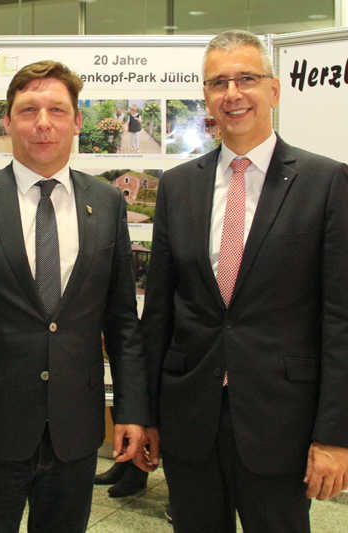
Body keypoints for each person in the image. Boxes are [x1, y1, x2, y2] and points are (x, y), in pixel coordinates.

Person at [0, 60, 148, 532]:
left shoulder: (106, 203)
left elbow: (122, 320)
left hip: (75, 432)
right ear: (7, 121)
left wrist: (130, 409)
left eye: (57, 110)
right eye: (28, 110)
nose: (43, 123)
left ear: (77, 121)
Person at [138, 30, 348, 533]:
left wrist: (335, 436)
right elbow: (160, 312)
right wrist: (145, 413)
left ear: (274, 91)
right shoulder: (177, 186)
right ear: (206, 97)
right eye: (218, 83)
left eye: (247, 79)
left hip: (284, 426)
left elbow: (340, 318)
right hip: (191, 422)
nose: (232, 94)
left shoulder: (327, 182)